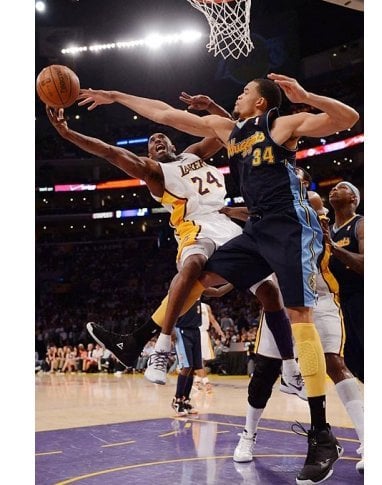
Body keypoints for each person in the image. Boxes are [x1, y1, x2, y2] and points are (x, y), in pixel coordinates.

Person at [77, 74, 359, 483]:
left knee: (299, 315)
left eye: (246, 91)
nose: (238, 95)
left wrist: (304, 97)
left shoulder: (280, 126)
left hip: (291, 228)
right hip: (259, 230)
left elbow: (346, 116)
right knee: (202, 277)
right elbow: (163, 112)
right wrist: (115, 94)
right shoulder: (229, 131)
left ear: (261, 103)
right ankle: (140, 338)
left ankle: (321, 433)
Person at [64, 93, 306, 393]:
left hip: (226, 224)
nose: (158, 141)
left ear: (175, 144)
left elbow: (231, 131)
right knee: (194, 265)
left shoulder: (194, 154)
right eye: (152, 142)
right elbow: (109, 152)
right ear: (149, 155)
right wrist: (68, 133)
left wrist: (213, 107)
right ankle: (161, 348)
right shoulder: (154, 171)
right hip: (194, 225)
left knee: (270, 292)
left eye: (162, 136)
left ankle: (290, 370)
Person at [228, 168, 365, 474]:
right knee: (264, 372)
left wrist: (245, 212)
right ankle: (248, 435)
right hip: (283, 297)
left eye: (299, 176)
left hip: (320, 295)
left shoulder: (312, 202)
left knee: (334, 362)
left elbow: (298, 208)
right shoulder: (266, 214)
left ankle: (366, 439)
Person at [324, 181, 364, 383]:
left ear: (353, 198)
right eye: (333, 188)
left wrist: (334, 248)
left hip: (361, 299)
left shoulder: (361, 224)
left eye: (342, 187)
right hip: (336, 304)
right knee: (351, 363)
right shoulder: (327, 230)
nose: (334, 189)